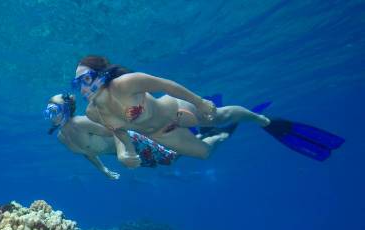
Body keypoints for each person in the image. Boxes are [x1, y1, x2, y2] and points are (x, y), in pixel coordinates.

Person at [72, 55, 344, 161]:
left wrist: (200, 102)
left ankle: (261, 119)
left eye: (85, 80)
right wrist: (126, 151)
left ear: (101, 74)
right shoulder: (94, 113)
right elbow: (118, 130)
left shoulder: (125, 83)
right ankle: (219, 136)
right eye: (78, 84)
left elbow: (166, 85)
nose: (83, 89)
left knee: (221, 115)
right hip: (163, 134)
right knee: (204, 153)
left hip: (175, 109)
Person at [43, 93, 230, 178]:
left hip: (133, 142)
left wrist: (123, 152)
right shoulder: (62, 137)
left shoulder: (80, 123)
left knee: (171, 157)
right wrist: (103, 170)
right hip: (128, 151)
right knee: (168, 158)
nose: (50, 114)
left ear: (66, 110)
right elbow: (87, 151)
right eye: (49, 109)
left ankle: (218, 135)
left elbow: (115, 129)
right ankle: (194, 135)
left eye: (54, 109)